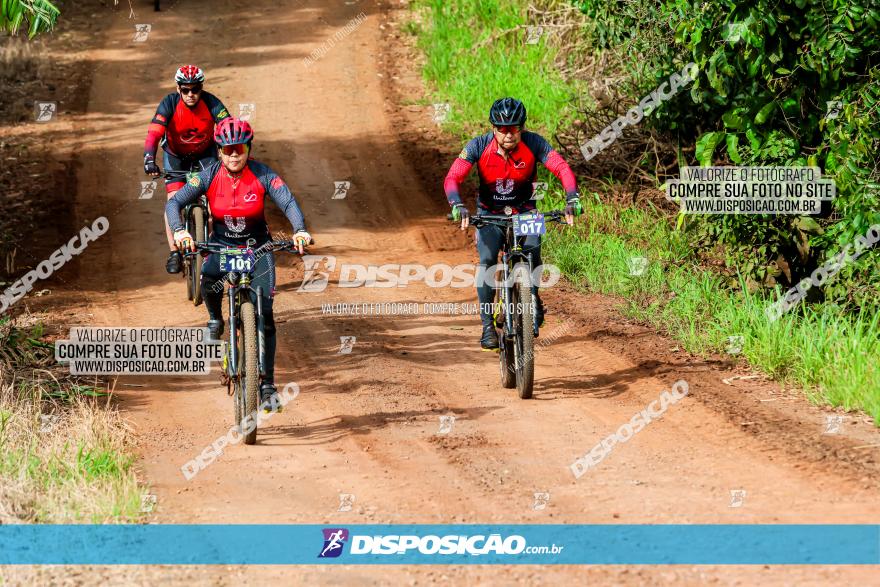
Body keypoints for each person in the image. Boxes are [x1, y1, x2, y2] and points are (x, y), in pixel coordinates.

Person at [165, 117, 312, 409]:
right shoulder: (206, 175)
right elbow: (174, 203)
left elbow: (287, 201)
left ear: (248, 148)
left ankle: (268, 386)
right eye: (228, 149)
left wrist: (300, 230)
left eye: (239, 148)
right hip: (221, 247)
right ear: (219, 151)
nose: (234, 154)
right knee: (208, 279)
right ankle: (215, 318)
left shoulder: (263, 173)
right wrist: (180, 231)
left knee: (266, 317)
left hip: (257, 249)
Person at [443, 97, 582, 351]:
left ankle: (534, 298)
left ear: (523, 127)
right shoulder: (478, 145)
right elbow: (453, 177)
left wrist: (572, 197)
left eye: (514, 128)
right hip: (490, 214)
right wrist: (457, 204)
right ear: (493, 128)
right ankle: (487, 326)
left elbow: (561, 168)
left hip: (526, 211)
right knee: (487, 263)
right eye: (502, 129)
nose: (508, 134)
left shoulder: (534, 143)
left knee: (533, 252)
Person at [144, 65, 230, 274]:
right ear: (178, 88)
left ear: (202, 87)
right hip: (176, 156)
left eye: (195, 89)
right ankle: (175, 251)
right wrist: (149, 158)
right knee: (173, 201)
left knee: (214, 203)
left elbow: (228, 125)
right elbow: (155, 133)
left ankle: (212, 247)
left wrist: (233, 153)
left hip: (205, 155)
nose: (191, 94)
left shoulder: (211, 102)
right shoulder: (169, 103)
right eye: (185, 90)